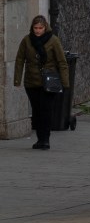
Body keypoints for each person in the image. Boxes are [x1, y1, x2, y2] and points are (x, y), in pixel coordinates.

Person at [13, 15, 69, 150]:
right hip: (32, 81)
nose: (38, 31)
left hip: (49, 81)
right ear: (32, 28)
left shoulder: (53, 41)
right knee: (37, 110)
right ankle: (39, 138)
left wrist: (65, 83)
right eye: (35, 28)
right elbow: (20, 59)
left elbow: (62, 62)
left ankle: (46, 139)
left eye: (40, 28)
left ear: (45, 28)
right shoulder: (27, 41)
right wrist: (17, 79)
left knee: (47, 109)